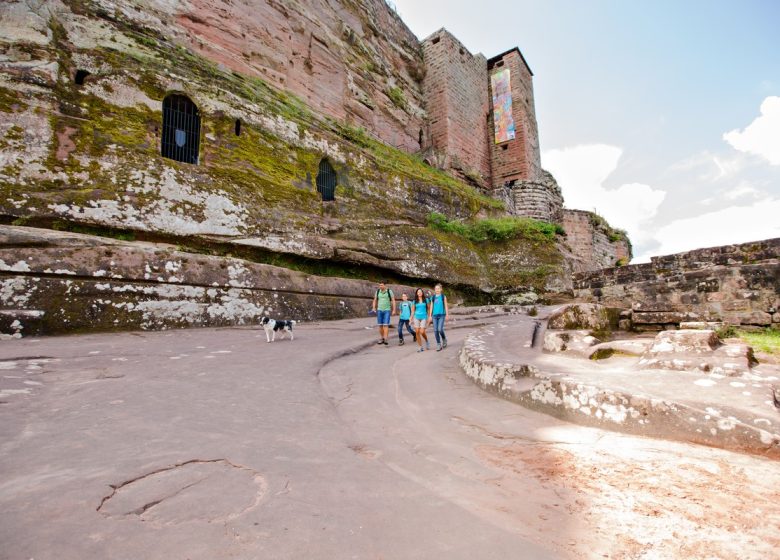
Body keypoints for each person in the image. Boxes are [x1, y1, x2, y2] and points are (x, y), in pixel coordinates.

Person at [430, 283, 449, 351]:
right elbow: (431, 306)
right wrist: (430, 316)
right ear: (434, 290)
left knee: (440, 329)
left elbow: (446, 306)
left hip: (441, 315)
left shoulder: (443, 297)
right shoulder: (433, 297)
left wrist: (447, 315)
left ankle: (444, 339)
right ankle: (438, 344)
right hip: (434, 316)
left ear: (441, 289)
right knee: (435, 331)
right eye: (436, 289)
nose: (437, 290)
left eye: (438, 289)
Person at [411, 287, 430, 352]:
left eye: (420, 292)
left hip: (424, 317)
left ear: (422, 293)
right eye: (418, 292)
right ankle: (420, 346)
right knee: (417, 332)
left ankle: (427, 341)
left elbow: (428, 309)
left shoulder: (426, 300)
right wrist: (411, 319)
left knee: (422, 331)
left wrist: (429, 317)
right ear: (416, 293)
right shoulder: (414, 301)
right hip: (416, 317)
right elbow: (413, 311)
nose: (419, 293)